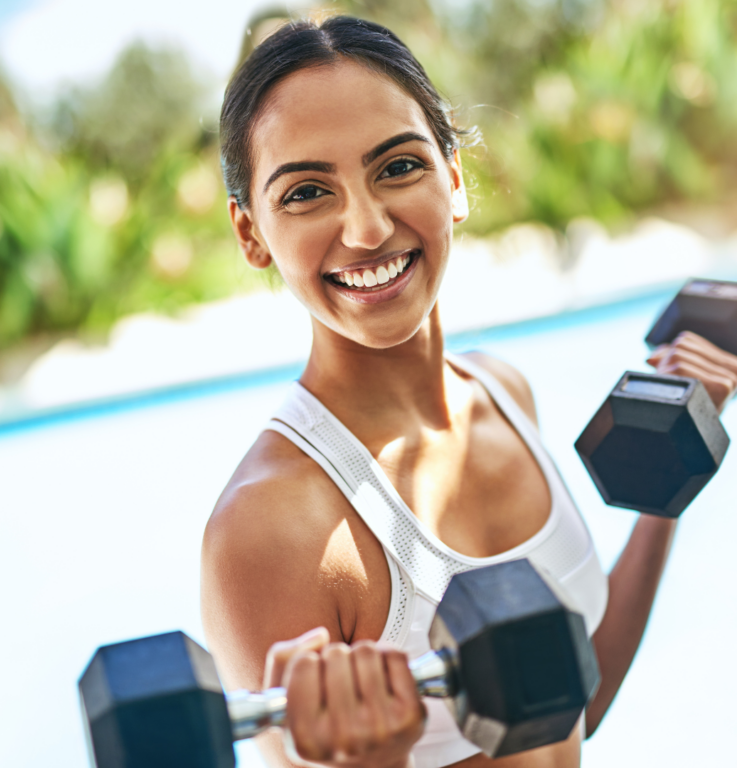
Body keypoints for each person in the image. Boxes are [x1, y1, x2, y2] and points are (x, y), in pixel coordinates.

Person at [201, 15, 737, 768]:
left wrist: (665, 491)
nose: (366, 227)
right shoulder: (268, 529)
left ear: (453, 179)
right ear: (251, 233)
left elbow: (575, 705)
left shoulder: (503, 390)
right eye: (307, 192)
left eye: (397, 167)